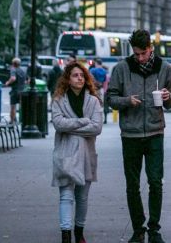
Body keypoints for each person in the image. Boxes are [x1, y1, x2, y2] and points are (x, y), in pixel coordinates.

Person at [107, 29, 171, 243]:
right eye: (136, 54)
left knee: (156, 182)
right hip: (131, 134)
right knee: (132, 184)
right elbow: (110, 97)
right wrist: (127, 101)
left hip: (155, 132)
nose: (140, 58)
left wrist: (167, 97)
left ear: (151, 49)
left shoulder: (164, 68)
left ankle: (154, 229)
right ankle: (138, 229)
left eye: (143, 53)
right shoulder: (121, 68)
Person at [51, 62, 104, 243]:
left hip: (86, 155)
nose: (79, 78)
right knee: (65, 195)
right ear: (67, 78)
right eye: (75, 75)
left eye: (82, 75)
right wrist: (82, 121)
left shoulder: (93, 100)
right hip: (65, 154)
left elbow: (97, 127)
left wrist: (70, 126)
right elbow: (58, 124)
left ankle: (79, 232)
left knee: (82, 197)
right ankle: (66, 235)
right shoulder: (59, 100)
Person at [5, 58, 28, 123]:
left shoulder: (13, 69)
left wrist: (7, 82)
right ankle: (22, 120)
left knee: (13, 106)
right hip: (22, 90)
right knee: (22, 106)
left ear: (13, 64)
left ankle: (12, 120)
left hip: (15, 90)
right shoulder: (23, 70)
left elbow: (13, 78)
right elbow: (27, 81)